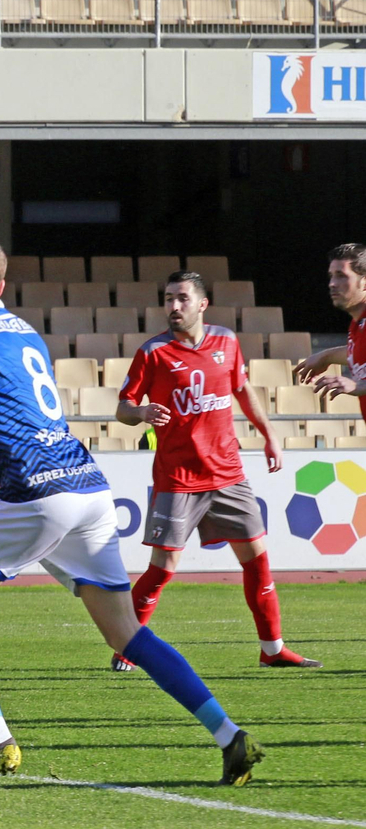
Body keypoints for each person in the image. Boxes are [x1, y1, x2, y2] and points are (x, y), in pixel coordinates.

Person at [0, 237, 263, 789]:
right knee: (126, 633)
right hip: (88, 487)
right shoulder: (25, 332)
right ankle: (229, 734)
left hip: (35, 495)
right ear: (3, 286)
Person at [114, 270, 318, 671]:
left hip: (228, 474)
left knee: (258, 560)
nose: (173, 306)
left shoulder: (226, 341)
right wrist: (140, 412)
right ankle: (128, 647)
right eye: (168, 298)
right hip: (178, 479)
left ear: (202, 304)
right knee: (161, 569)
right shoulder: (153, 352)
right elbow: (122, 408)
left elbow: (242, 390)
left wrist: (269, 434)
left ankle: (272, 650)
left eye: (182, 298)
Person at [298, 242, 366, 415]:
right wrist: (326, 356)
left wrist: (359, 385)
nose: (332, 283)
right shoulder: (357, 324)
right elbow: (360, 353)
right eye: (331, 276)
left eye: (341, 275)